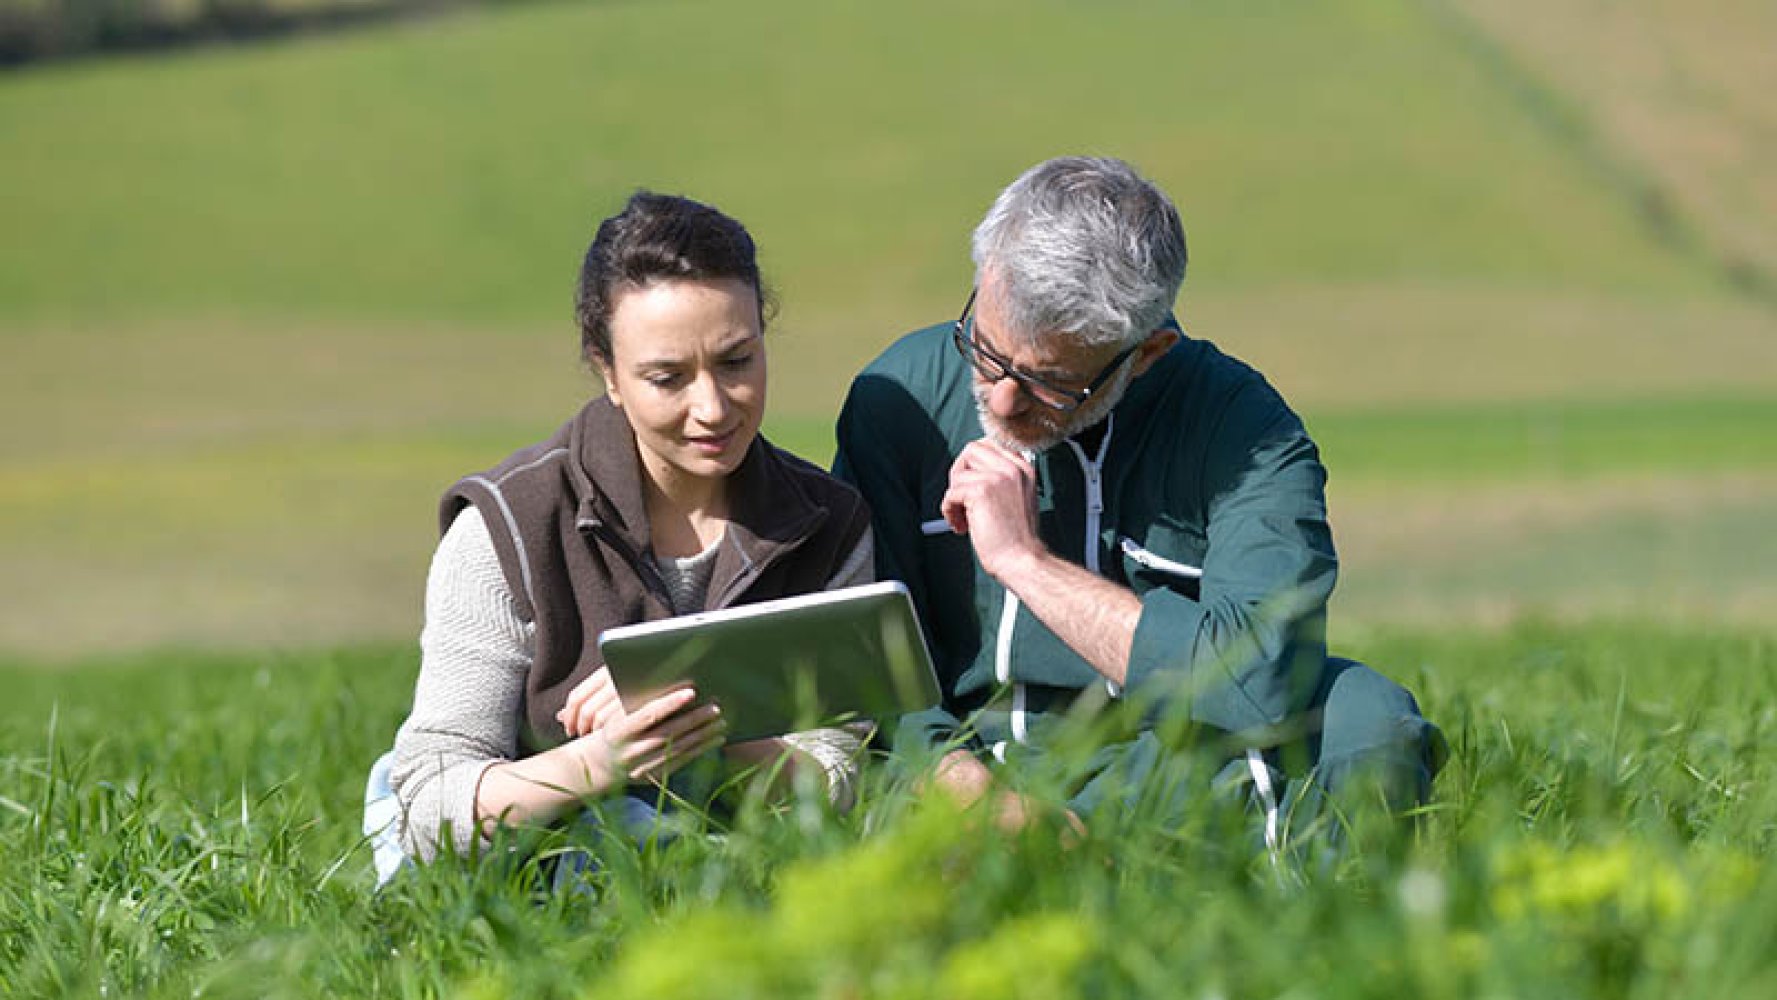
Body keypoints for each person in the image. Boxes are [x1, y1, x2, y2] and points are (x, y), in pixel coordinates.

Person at [833, 157, 1442, 846]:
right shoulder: (897, 397)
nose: (1000, 401)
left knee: (1367, 717)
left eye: (1051, 383)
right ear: (982, 284)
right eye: (985, 351)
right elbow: (864, 652)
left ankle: (1332, 933)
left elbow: (1257, 678)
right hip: (965, 764)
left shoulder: (1244, 428)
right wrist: (964, 788)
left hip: (1172, 762)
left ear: (1146, 352)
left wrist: (1025, 562)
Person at [364, 191, 874, 885]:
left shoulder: (829, 523)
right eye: (667, 378)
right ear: (607, 372)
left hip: (739, 861)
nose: (713, 408)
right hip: (530, 854)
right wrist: (604, 760)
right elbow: (425, 805)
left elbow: (841, 777)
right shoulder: (508, 525)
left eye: (736, 361)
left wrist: (700, 725)